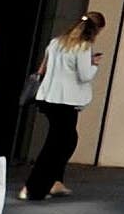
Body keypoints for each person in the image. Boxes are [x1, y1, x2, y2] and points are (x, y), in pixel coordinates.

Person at [16, 11, 105, 202]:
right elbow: (85, 75)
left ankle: (54, 182)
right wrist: (94, 64)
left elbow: (45, 67)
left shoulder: (56, 42)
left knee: (62, 141)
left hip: (49, 97)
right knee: (59, 144)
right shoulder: (83, 47)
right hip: (68, 100)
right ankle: (34, 187)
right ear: (96, 30)